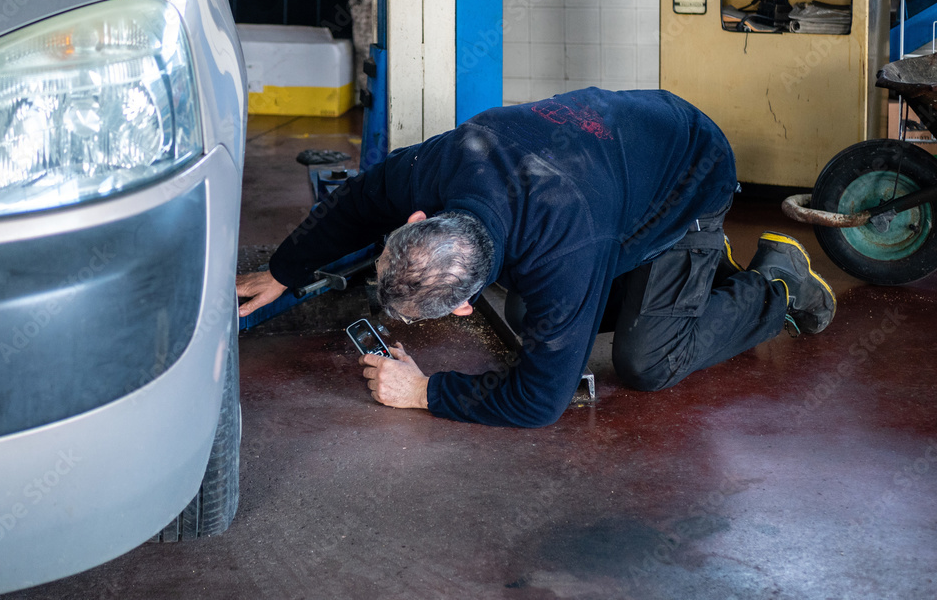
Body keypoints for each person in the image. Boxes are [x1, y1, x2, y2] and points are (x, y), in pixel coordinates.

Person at [236, 88, 835, 428]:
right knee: (531, 319)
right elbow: (360, 200)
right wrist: (284, 270)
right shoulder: (436, 166)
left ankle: (773, 284)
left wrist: (425, 392)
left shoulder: (567, 249)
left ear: (467, 305)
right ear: (417, 220)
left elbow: (540, 401)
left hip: (689, 173)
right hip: (624, 160)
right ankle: (692, 273)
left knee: (648, 361)